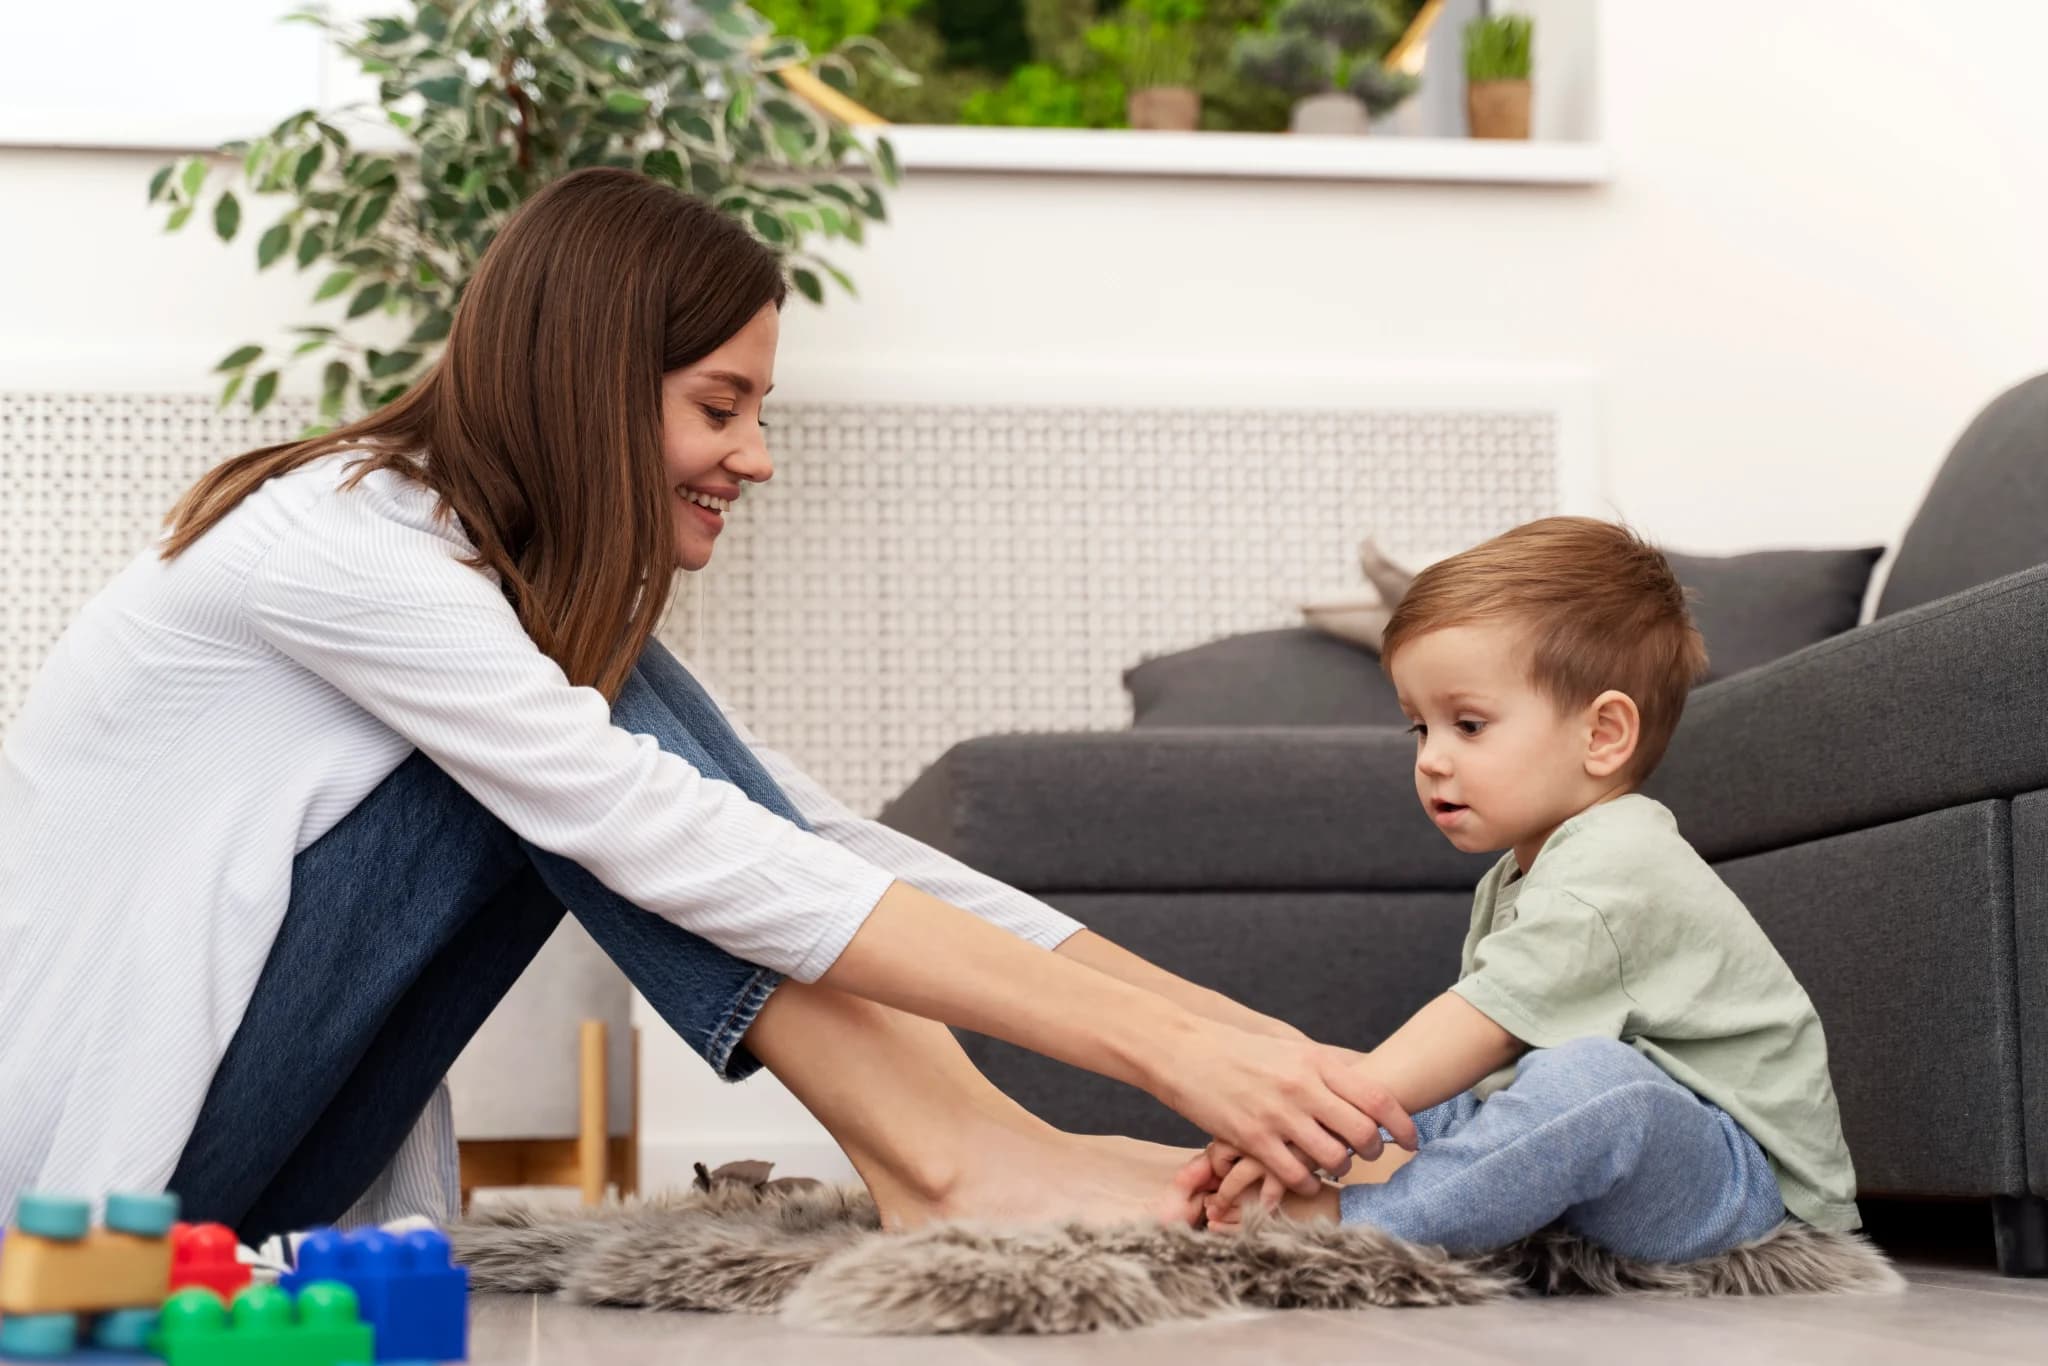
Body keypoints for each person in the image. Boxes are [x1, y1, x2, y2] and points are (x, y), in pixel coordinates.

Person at [0, 168, 1417, 1244]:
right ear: (591, 387)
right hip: (90, 1191)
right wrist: (1162, 1055)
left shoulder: (485, 589)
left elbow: (809, 836)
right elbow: (663, 828)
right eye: (720, 405)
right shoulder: (338, 543)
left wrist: (1251, 1044)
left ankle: (975, 1150)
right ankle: (953, 1161)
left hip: (251, 1168)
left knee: (660, 779)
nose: (756, 455)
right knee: (608, 792)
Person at [1186, 517, 1860, 1262]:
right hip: (1634, 1174)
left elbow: (1488, 1028)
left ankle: (1362, 1224)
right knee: (1451, 1088)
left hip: (1743, 1190)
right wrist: (1302, 1133)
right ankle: (1301, 1180)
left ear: (1602, 735)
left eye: (1469, 724)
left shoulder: (1620, 863)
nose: (1431, 759)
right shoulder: (1520, 872)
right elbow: (1479, 1060)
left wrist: (1319, 1119)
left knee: (1588, 1081)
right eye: (1420, 729)